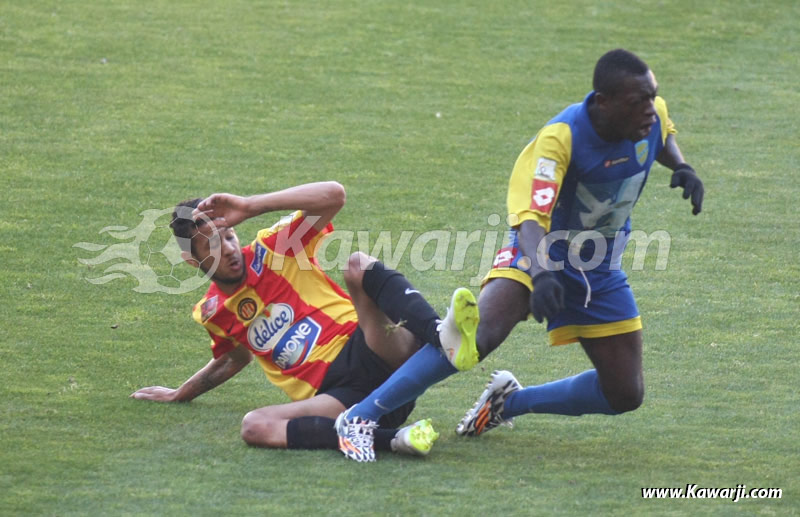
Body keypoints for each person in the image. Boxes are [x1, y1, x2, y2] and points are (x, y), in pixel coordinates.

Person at [335, 49, 704, 460]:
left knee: (624, 393)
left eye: (653, 97)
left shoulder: (648, 116)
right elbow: (530, 221)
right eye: (639, 102)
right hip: (536, 253)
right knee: (471, 340)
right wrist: (542, 275)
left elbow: (663, 136)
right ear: (604, 102)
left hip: (597, 267)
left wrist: (681, 166)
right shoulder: (560, 141)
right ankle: (360, 418)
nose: (650, 110)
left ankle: (508, 403)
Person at [131, 181, 480, 462]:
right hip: (342, 399)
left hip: (372, 347)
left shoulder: (275, 248)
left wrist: (253, 205)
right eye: (212, 246)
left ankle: (439, 334)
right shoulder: (212, 312)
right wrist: (181, 394)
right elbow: (231, 358)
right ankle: (393, 440)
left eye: (229, 236)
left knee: (357, 265)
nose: (230, 249)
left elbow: (334, 195)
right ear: (193, 261)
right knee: (255, 426)